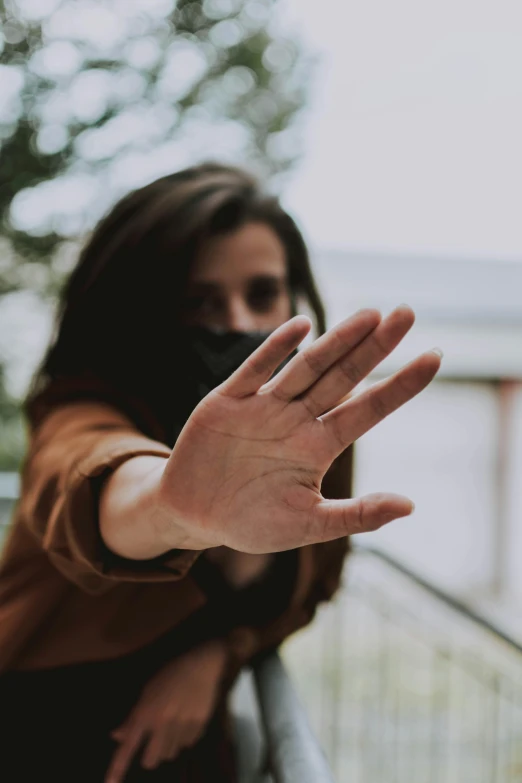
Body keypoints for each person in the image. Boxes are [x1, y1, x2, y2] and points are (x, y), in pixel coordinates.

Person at [0, 163, 441, 782]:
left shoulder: (306, 436)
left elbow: (306, 589)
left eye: (261, 295)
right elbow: (92, 477)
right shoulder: (81, 411)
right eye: (199, 302)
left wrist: (219, 653)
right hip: (36, 735)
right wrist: (173, 509)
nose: (236, 322)